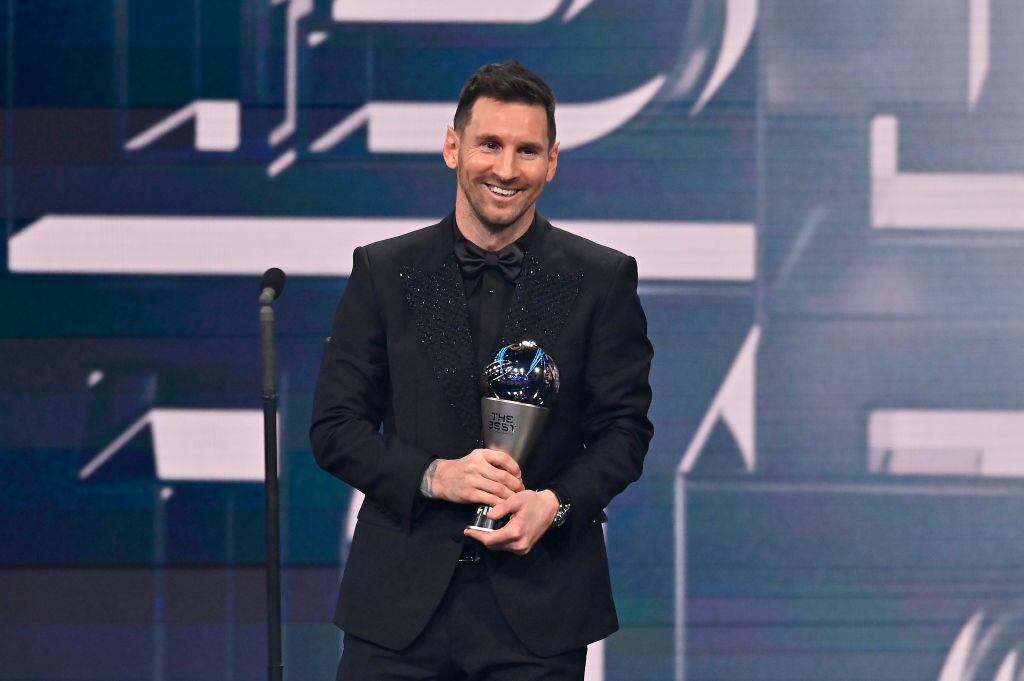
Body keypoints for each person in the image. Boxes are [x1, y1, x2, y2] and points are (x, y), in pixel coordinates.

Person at [311, 60, 654, 680]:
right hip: (397, 612)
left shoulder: (601, 280)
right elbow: (335, 428)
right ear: (452, 146)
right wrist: (434, 476)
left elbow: (624, 434)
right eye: (489, 145)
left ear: (552, 162)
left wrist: (555, 503)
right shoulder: (386, 272)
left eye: (527, 151)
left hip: (539, 612)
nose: (505, 169)